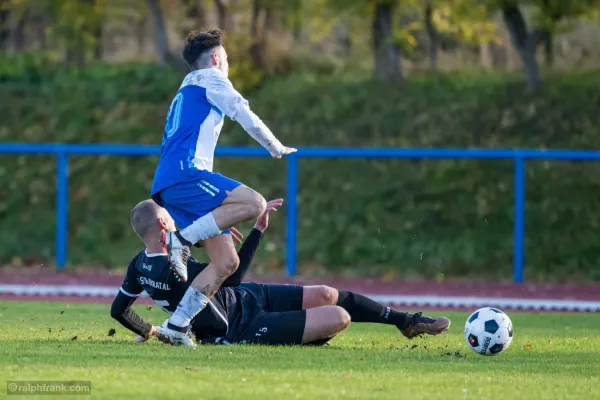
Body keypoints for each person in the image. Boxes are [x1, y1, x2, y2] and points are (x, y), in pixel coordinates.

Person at [110, 200, 451, 347]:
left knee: (326, 293)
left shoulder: (140, 264)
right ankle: (302, 337)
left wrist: (152, 329)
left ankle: (405, 321)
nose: (174, 221)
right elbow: (231, 276)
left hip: (247, 298)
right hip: (241, 326)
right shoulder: (175, 265)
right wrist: (257, 230)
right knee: (339, 316)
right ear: (161, 224)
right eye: (169, 218)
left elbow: (118, 310)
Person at [150, 29, 296, 345]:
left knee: (226, 263)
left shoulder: (187, 86)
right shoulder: (211, 78)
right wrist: (275, 145)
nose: (226, 64)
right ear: (216, 59)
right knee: (254, 203)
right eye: (226, 58)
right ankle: (181, 239)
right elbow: (244, 113)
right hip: (186, 174)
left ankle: (176, 326)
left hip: (172, 182)